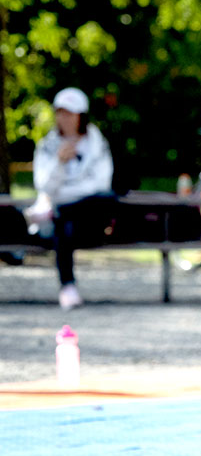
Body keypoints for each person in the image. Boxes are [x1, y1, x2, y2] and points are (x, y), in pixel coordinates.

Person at [31, 87, 115, 310]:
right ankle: (68, 287)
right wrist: (59, 163)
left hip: (89, 219)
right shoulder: (46, 147)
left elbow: (101, 184)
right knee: (62, 223)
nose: (64, 119)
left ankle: (68, 287)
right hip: (61, 222)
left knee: (100, 201)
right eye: (60, 113)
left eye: (69, 113)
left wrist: (67, 195)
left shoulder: (97, 143)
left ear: (81, 116)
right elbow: (44, 186)